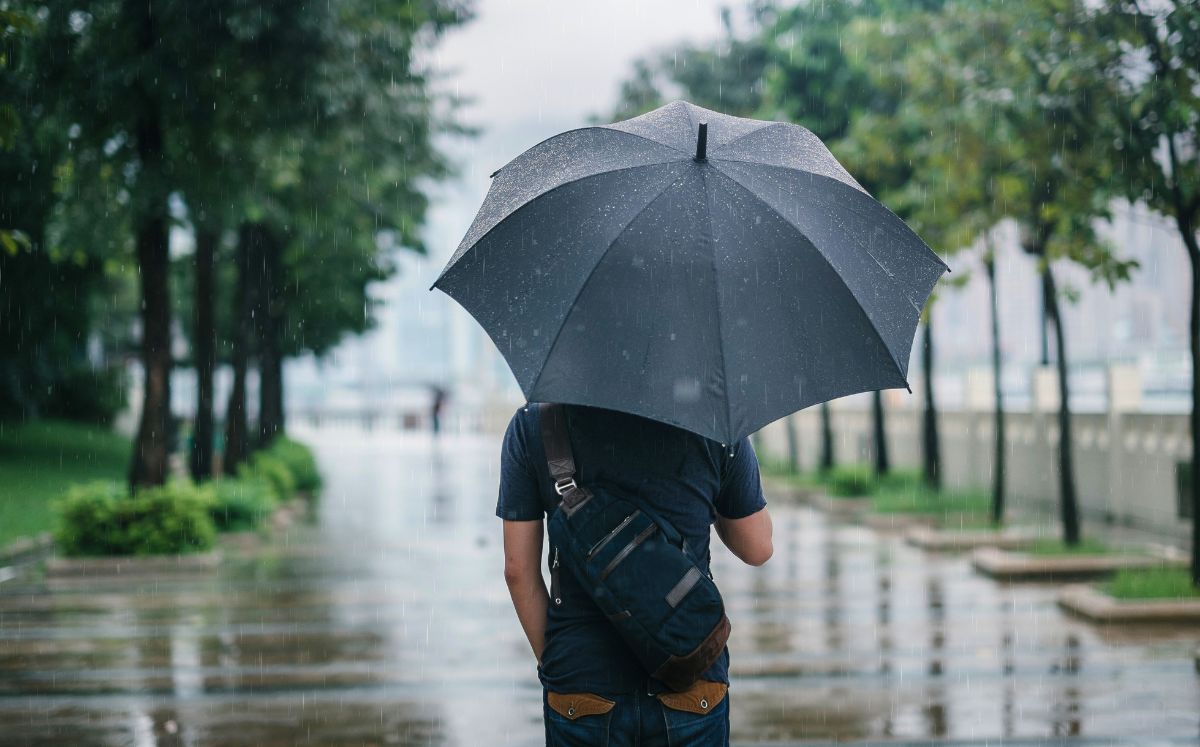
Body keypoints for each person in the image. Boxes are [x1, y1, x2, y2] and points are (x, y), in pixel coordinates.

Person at [498, 402, 773, 746]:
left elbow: (518, 571)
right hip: (689, 674)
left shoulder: (536, 423)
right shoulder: (716, 419)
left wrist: (559, 665)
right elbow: (757, 547)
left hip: (582, 682)